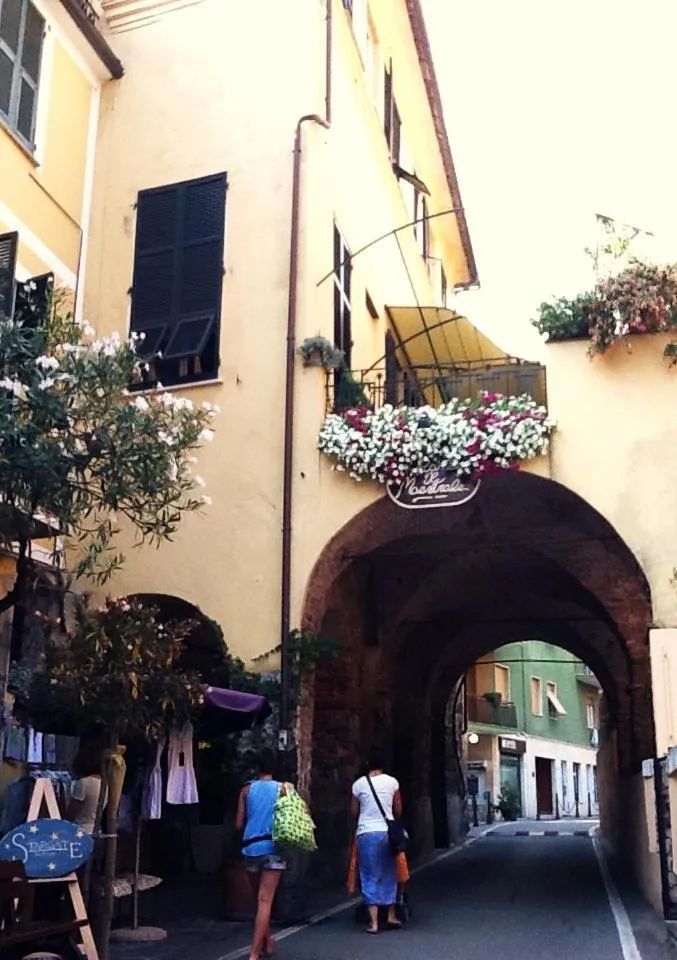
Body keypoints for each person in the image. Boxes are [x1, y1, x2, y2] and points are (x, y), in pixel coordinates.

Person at [236, 750, 287, 960]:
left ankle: (267, 942)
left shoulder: (246, 790)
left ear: (257, 768)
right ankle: (254, 953)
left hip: (251, 848)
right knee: (265, 902)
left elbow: (238, 824)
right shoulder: (283, 789)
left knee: (259, 900)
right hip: (273, 848)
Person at [350, 748, 403, 934]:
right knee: (389, 872)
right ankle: (390, 915)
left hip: (366, 833)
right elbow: (398, 810)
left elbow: (354, 812)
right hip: (386, 833)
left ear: (367, 765)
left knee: (368, 875)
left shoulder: (358, 785)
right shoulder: (392, 782)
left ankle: (373, 923)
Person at [66, 742, 104, 835]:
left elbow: (71, 813)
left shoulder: (84, 783)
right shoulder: (105, 784)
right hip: (96, 830)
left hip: (80, 831)